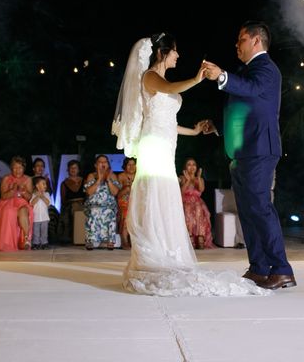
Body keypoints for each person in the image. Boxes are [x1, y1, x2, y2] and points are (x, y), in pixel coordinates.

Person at [112, 32, 267, 296]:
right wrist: (196, 78)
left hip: (165, 144)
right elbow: (171, 90)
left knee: (166, 195)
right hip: (154, 146)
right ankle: (154, 252)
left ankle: (166, 250)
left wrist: (194, 132)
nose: (178, 55)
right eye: (175, 51)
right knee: (156, 194)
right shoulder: (150, 76)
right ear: (162, 53)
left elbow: (168, 123)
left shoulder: (161, 80)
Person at [203, 21, 296, 290]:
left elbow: (252, 91)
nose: (237, 45)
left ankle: (281, 268)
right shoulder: (248, 72)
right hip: (243, 152)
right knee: (248, 211)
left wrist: (222, 76)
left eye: (241, 39)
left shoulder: (267, 69)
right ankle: (259, 266)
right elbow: (245, 109)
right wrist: (218, 128)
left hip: (260, 150)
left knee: (260, 207)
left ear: (256, 41)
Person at [0, 156, 34, 251]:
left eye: (20, 168)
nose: (17, 170)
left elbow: (29, 198)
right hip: (7, 202)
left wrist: (24, 191)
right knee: (9, 212)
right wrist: (12, 190)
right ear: (11, 168)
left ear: (23, 168)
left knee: (23, 210)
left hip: (21, 202)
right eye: (15, 168)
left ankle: (26, 240)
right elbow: (3, 196)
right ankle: (6, 242)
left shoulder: (28, 179)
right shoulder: (6, 178)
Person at [83, 155, 121, 250]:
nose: (103, 164)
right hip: (94, 205)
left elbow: (115, 192)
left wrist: (108, 179)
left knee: (109, 212)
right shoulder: (91, 176)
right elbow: (89, 192)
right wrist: (99, 179)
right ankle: (90, 241)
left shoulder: (112, 176)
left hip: (109, 205)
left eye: (105, 162)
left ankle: (110, 241)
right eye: (100, 162)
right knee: (94, 211)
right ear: (96, 165)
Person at [179, 157, 213, 249]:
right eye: (189, 165)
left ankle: (200, 237)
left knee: (198, 208)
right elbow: (181, 192)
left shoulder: (200, 179)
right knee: (188, 210)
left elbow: (201, 189)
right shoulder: (182, 178)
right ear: (185, 167)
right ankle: (190, 237)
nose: (192, 167)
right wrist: (188, 180)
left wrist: (197, 178)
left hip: (197, 202)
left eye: (193, 164)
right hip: (185, 201)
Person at [59, 160, 85, 244]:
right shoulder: (64, 183)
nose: (73, 170)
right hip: (70, 206)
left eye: (75, 168)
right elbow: (63, 200)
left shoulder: (84, 181)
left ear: (78, 170)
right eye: (71, 168)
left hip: (83, 204)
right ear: (68, 170)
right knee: (74, 208)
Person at [117, 157, 136, 249]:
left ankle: (134, 240)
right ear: (125, 166)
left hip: (136, 200)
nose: (131, 167)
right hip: (124, 200)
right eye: (129, 165)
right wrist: (127, 188)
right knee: (126, 218)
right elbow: (118, 193)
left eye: (133, 164)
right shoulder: (121, 176)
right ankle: (124, 240)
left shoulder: (139, 175)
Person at [30, 176, 51, 249]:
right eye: (43, 184)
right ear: (37, 185)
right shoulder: (33, 195)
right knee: (36, 232)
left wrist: (42, 196)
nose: (45, 186)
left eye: (45, 184)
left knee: (44, 232)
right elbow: (32, 203)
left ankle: (44, 243)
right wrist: (37, 196)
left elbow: (48, 203)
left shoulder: (47, 194)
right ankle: (36, 243)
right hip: (36, 218)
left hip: (45, 217)